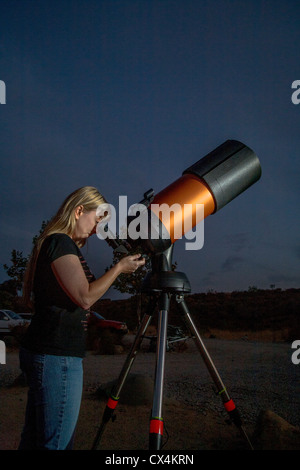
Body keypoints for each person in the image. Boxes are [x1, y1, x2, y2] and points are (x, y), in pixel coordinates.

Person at [18, 186, 145, 450]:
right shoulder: (59, 242)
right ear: (78, 211)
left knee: (34, 441)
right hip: (56, 354)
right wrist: (120, 268)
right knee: (57, 444)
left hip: (47, 350)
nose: (97, 229)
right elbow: (85, 297)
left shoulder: (58, 243)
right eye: (96, 220)